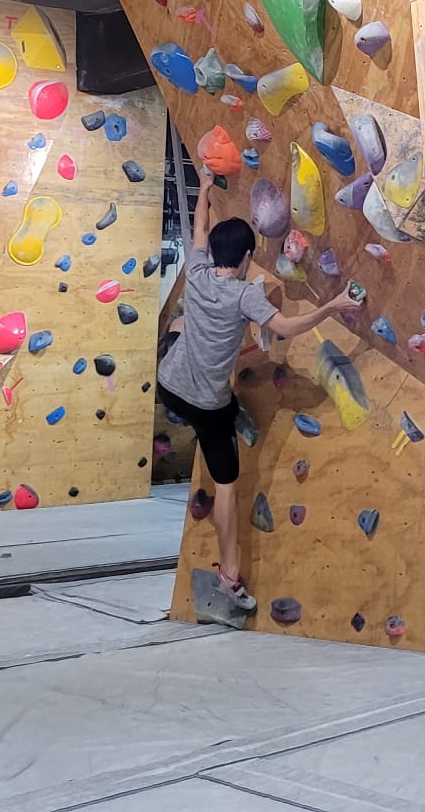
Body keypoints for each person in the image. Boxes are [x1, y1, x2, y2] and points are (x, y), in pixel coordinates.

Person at [156, 185, 356, 610]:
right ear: (247, 258)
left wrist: (205, 187)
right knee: (226, 486)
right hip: (208, 405)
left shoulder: (196, 271)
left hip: (171, 387)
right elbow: (284, 328)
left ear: (212, 254)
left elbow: (199, 227)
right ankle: (231, 576)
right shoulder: (246, 293)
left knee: (177, 332)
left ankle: (203, 379)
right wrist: (333, 306)